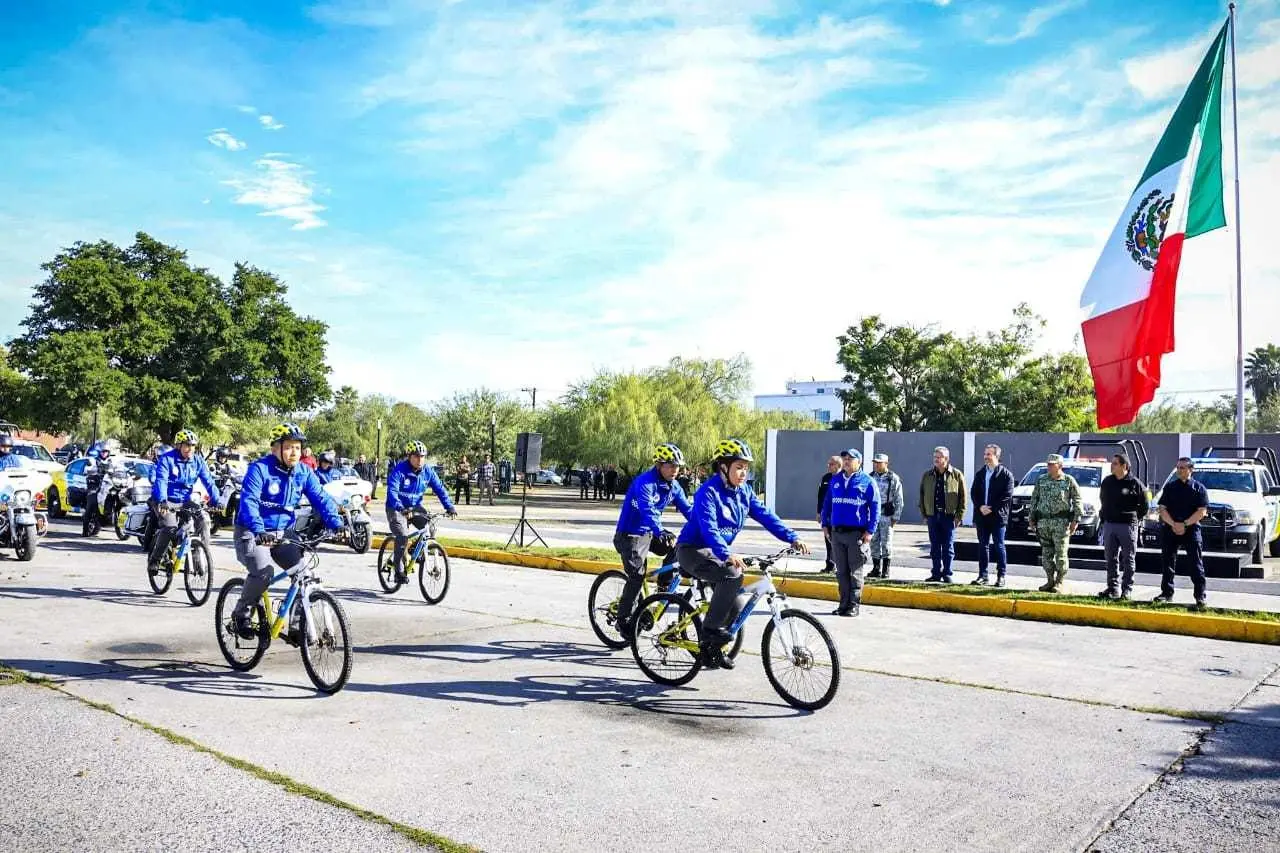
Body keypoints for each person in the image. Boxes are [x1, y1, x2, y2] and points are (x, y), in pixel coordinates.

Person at [675, 439, 810, 670]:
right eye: (739, 467)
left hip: (716, 552)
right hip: (692, 550)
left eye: (746, 468)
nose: (743, 472)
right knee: (732, 574)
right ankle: (709, 632)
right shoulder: (708, 492)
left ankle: (712, 650)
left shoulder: (744, 492)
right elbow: (710, 529)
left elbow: (767, 516)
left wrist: (792, 537)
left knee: (736, 603)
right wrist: (726, 553)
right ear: (723, 468)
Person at [229, 423, 345, 639]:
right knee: (263, 573)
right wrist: (259, 529)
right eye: (289, 447)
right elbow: (249, 502)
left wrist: (336, 523)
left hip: (283, 532)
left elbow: (320, 497)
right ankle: (241, 613)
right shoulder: (260, 469)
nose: (294, 452)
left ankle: (297, 626)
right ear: (275, 449)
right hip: (252, 531)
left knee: (304, 574)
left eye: (298, 448)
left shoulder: (304, 471)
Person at [612, 443, 694, 636]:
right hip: (629, 536)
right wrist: (659, 530)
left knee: (679, 544)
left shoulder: (674, 486)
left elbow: (689, 510)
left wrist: (706, 529)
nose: (676, 470)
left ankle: (663, 585)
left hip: (650, 533)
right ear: (659, 465)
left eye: (678, 466)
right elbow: (647, 510)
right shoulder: (645, 483)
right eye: (671, 465)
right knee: (637, 577)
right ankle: (622, 619)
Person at [148, 430, 221, 576]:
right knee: (170, 527)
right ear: (179, 446)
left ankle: (203, 552)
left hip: (185, 500)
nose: (190, 449)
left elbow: (209, 481)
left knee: (204, 520)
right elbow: (161, 481)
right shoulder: (167, 459)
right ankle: (155, 560)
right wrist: (162, 501)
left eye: (193, 446)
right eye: (187, 445)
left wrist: (216, 500)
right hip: (165, 500)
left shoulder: (198, 461)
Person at [387, 441, 458, 583]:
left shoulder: (427, 471)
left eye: (423, 456)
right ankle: (398, 572)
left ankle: (415, 550)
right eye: (417, 456)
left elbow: (440, 489)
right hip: (397, 508)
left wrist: (449, 507)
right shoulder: (399, 470)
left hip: (415, 508)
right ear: (409, 456)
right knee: (402, 535)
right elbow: (392, 492)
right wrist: (401, 508)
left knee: (430, 527)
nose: (420, 460)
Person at [821, 448, 880, 617]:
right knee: (841, 572)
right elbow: (827, 503)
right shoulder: (836, 480)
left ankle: (854, 605)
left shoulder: (867, 481)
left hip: (856, 534)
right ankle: (843, 604)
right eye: (844, 458)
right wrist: (825, 524)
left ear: (859, 462)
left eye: (850, 458)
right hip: (837, 533)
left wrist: (870, 531)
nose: (846, 461)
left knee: (855, 572)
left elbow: (875, 508)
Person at [1153, 457, 1209, 610]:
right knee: (1168, 562)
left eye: (1183, 468)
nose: (1179, 471)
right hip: (1171, 528)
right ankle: (1166, 593)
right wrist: (1173, 524)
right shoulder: (1170, 487)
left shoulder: (1199, 489)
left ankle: (1200, 596)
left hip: (1191, 529)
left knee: (1196, 564)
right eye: (1178, 468)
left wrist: (1184, 524)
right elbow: (1162, 509)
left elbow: (1202, 512)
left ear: (1191, 470)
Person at [1027, 453, 1082, 593]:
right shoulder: (1041, 480)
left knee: (1061, 555)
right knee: (1046, 555)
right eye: (1048, 464)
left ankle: (1060, 581)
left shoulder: (1068, 481)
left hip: (1061, 524)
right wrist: (1032, 517)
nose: (1049, 466)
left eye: (1052, 464)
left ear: (1060, 466)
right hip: (1043, 523)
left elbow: (1077, 500)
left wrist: (1075, 520)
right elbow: (1034, 499)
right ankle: (1050, 580)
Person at [1097, 453, 1148, 601]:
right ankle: (1113, 588)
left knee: (1128, 558)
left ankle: (1127, 589)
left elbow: (1144, 505)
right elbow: (1103, 499)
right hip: (1110, 524)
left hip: (1127, 525)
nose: (1111, 466)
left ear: (1124, 466)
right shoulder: (1107, 482)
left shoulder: (1135, 483)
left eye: (1115, 463)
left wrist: (1135, 518)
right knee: (1110, 558)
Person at [918, 446, 966, 583]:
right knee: (934, 547)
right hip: (932, 516)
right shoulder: (927, 475)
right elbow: (922, 495)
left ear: (946, 459)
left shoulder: (956, 475)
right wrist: (924, 514)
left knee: (948, 546)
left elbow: (963, 497)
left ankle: (947, 573)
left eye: (939, 457)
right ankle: (935, 573)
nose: (936, 460)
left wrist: (959, 516)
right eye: (935, 457)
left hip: (948, 516)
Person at [969, 443, 1015, 587]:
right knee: (983, 546)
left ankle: (1001, 576)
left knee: (999, 545)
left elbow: (1007, 495)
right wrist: (980, 507)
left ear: (996, 456)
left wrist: (992, 508)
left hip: (998, 517)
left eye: (988, 454)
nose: (985, 457)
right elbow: (974, 492)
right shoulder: (981, 473)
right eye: (985, 454)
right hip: (982, 516)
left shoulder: (1006, 475)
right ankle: (983, 575)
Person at [868, 452, 904, 578]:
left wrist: (896, 517)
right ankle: (876, 568)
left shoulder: (892, 478)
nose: (876, 465)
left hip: (886, 515)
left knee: (886, 543)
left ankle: (886, 570)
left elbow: (899, 499)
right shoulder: (870, 477)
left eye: (879, 463)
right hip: (873, 515)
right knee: (873, 542)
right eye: (875, 463)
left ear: (886, 463)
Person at [83, 441, 127, 536]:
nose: (104, 453)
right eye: (103, 452)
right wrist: (93, 471)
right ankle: (85, 529)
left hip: (109, 484)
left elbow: (120, 468)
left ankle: (117, 519)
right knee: (91, 502)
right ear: (99, 452)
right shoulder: (94, 460)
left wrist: (126, 472)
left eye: (106, 452)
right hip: (95, 484)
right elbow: (87, 469)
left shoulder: (112, 461)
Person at [816, 455, 840, 574]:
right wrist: (819, 512)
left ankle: (839, 565)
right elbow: (820, 496)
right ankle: (829, 565)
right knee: (828, 539)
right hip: (827, 515)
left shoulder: (843, 477)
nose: (828, 466)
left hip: (838, 516)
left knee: (838, 541)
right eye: (828, 464)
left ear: (838, 465)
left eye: (831, 464)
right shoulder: (826, 478)